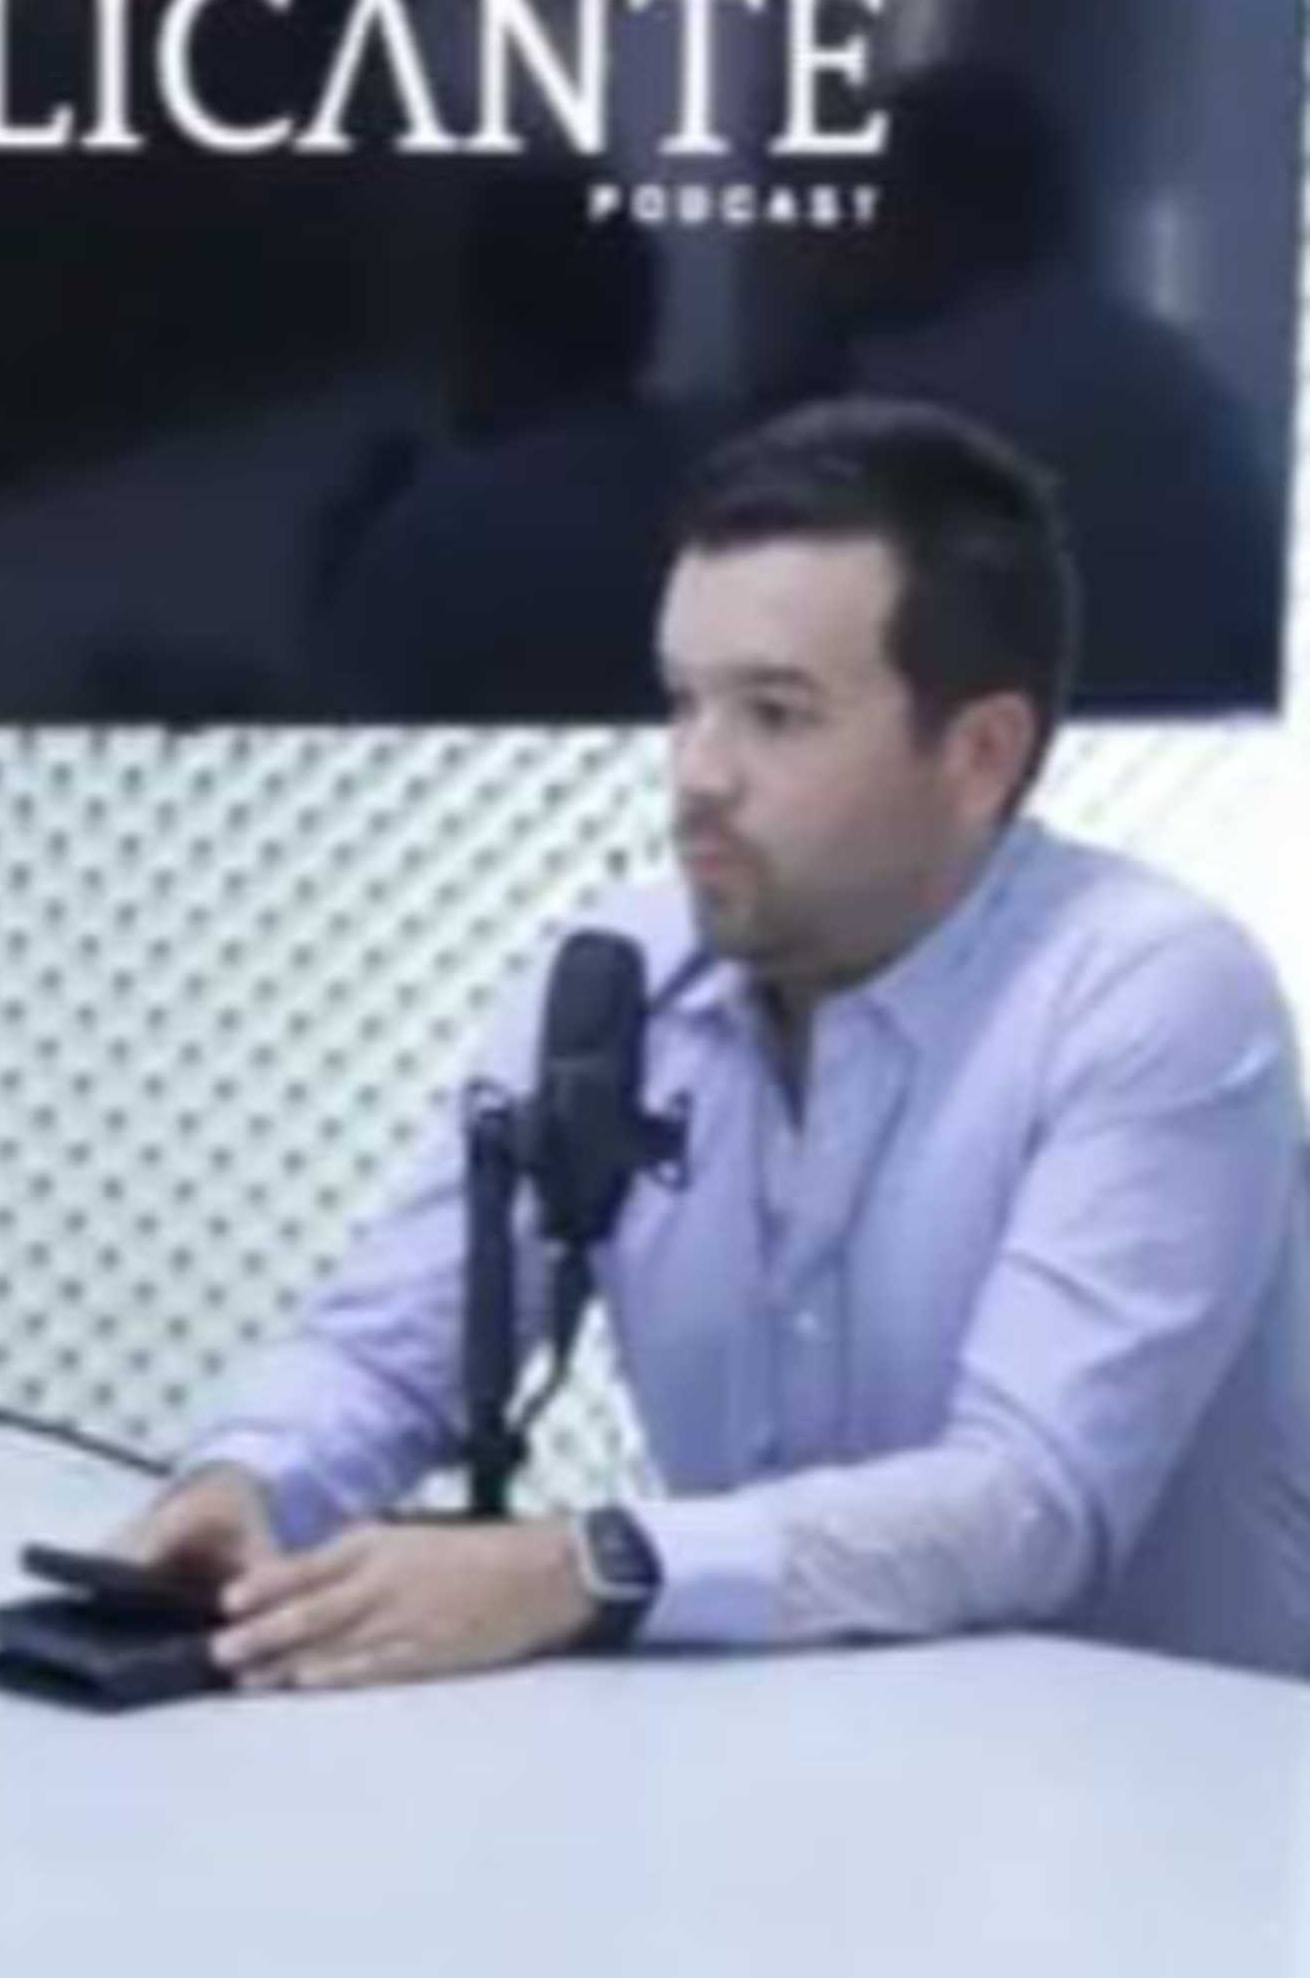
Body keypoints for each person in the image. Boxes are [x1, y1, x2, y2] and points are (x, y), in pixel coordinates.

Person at [131, 397, 1310, 1690]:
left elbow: (1028, 1506)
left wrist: (583, 1568)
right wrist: (245, 1479)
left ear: (980, 753)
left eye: (775, 714)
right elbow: (392, 1351)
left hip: (1140, 1783)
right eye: (684, 703)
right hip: (761, 1765)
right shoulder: (615, 979)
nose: (698, 773)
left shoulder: (1154, 992)